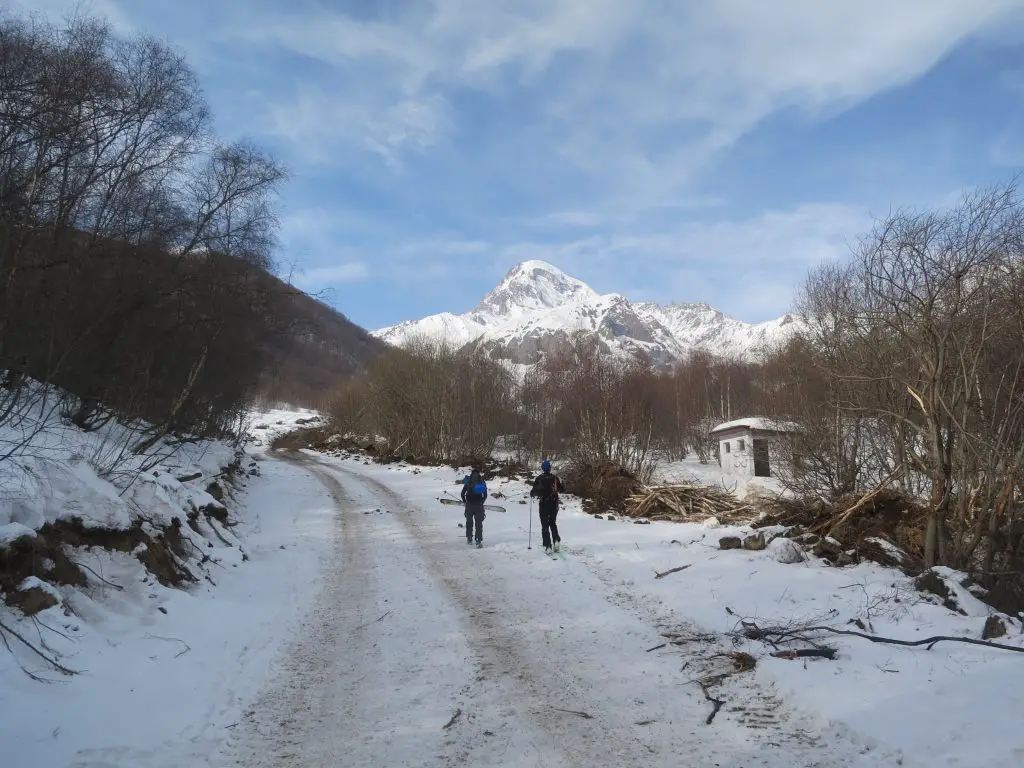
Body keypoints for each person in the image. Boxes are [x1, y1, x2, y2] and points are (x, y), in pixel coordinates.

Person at [530, 459, 565, 553]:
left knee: (545, 525)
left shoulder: (539, 478)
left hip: (544, 504)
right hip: (554, 504)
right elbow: (562, 489)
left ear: (542, 468)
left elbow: (533, 492)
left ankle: (548, 546)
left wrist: (533, 494)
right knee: (553, 523)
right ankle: (556, 540)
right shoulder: (555, 478)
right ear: (550, 468)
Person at [461, 468, 487, 548]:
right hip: (478, 505)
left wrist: (465, 502)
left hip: (469, 505)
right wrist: (481, 503)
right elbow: (485, 495)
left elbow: (462, 494)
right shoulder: (482, 481)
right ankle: (478, 540)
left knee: (469, 522)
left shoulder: (468, 481)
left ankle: (469, 538)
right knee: (479, 523)